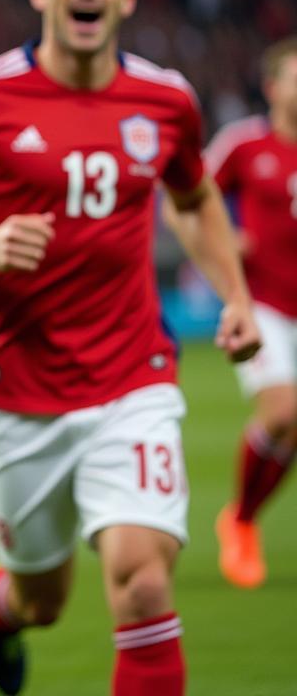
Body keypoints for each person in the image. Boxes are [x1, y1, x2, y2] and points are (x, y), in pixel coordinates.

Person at [0, 0, 260, 696]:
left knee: (144, 584)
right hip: (16, 399)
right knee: (41, 599)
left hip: (133, 381)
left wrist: (235, 295)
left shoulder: (166, 99)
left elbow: (194, 198)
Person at [173, 37, 297, 588]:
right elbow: (191, 196)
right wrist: (227, 246)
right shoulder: (245, 144)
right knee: (284, 414)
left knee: (290, 430)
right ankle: (241, 522)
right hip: (262, 304)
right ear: (273, 87)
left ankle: (245, 517)